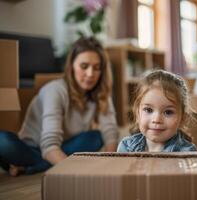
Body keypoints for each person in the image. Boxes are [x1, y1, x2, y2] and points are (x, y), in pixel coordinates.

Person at [0, 37, 119, 176]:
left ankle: (31, 168)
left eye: (97, 68)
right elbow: (49, 146)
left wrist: (110, 164)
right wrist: (75, 172)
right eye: (84, 66)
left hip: (63, 147)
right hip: (32, 148)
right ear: (72, 66)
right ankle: (39, 165)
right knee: (3, 140)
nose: (90, 74)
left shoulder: (101, 94)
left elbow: (110, 133)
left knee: (95, 137)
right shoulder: (55, 90)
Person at [117, 70, 197, 152]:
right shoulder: (126, 147)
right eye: (148, 110)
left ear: (182, 118)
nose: (156, 120)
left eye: (168, 112)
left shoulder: (186, 152)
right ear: (137, 113)